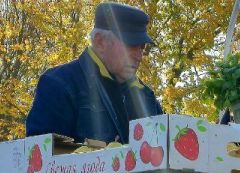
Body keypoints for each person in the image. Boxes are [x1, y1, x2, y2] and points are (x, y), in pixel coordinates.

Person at [26, 3, 162, 143]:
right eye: (131, 46)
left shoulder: (147, 97)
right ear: (100, 42)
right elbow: (41, 155)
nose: (139, 57)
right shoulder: (59, 84)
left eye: (142, 47)